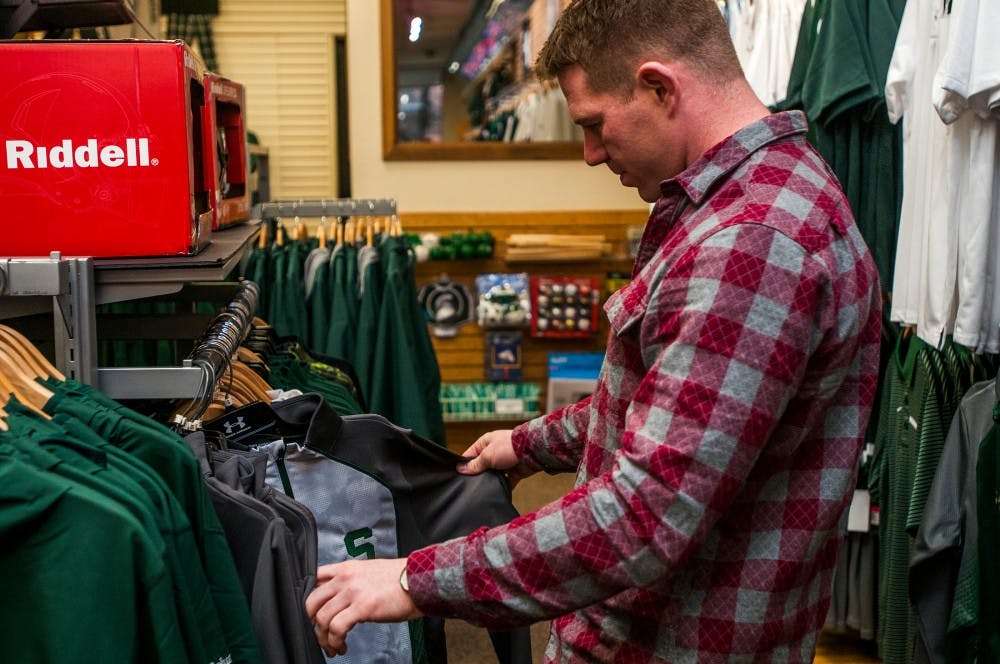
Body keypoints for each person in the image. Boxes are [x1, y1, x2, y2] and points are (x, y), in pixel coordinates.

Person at [305, 0, 882, 660]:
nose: (588, 153)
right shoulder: (762, 195)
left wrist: (414, 578)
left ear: (659, 86)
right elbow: (673, 406)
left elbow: (644, 517)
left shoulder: (749, 246)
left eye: (594, 124)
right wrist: (527, 445)